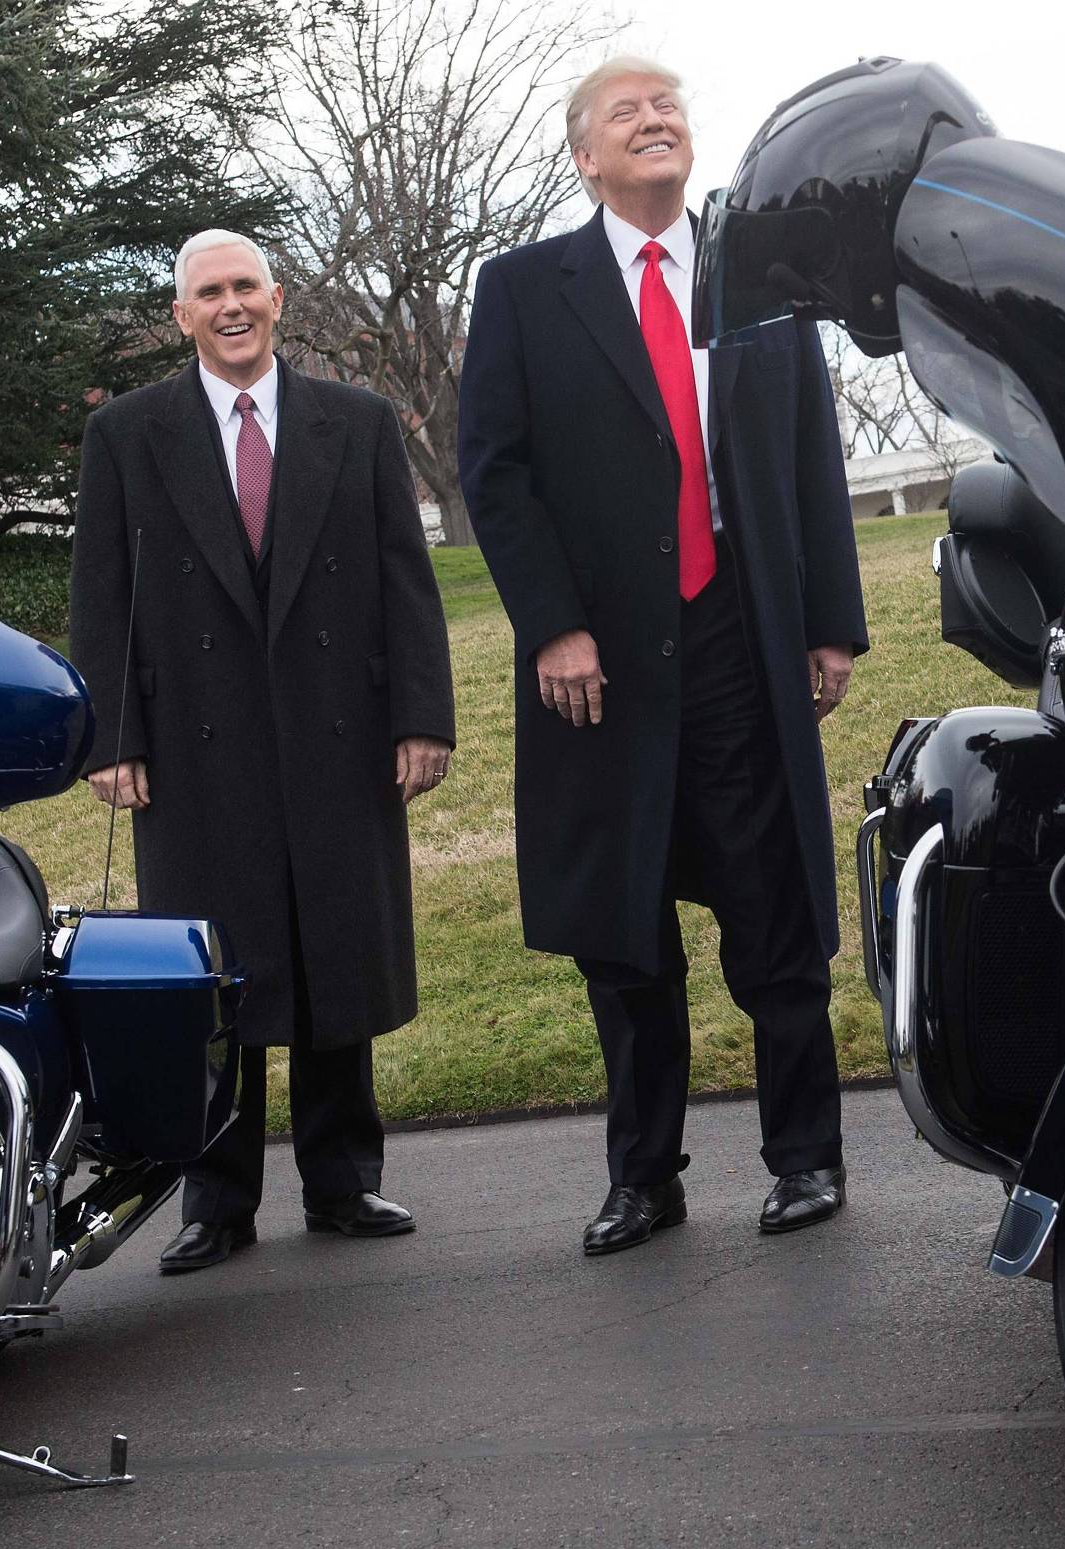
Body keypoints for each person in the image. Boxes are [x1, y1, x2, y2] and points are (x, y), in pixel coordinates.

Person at [459, 57, 867, 1255]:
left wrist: (828, 622)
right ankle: (645, 1176)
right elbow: (497, 470)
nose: (656, 122)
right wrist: (553, 625)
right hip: (601, 661)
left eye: (670, 108)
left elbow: (811, 455)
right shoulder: (528, 289)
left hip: (740, 632)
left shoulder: (759, 282)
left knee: (772, 910)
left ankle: (806, 1158)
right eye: (626, 114)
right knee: (623, 931)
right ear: (584, 156)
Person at [70, 229, 457, 1274]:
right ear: (181, 315)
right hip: (195, 738)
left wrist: (422, 717)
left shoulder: (360, 424)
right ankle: (216, 1198)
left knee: (336, 951)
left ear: (278, 300)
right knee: (211, 972)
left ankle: (344, 1183)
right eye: (209, 293)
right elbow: (100, 595)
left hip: (339, 725)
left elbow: (405, 585)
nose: (231, 306)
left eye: (246, 286)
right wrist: (112, 737)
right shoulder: (129, 436)